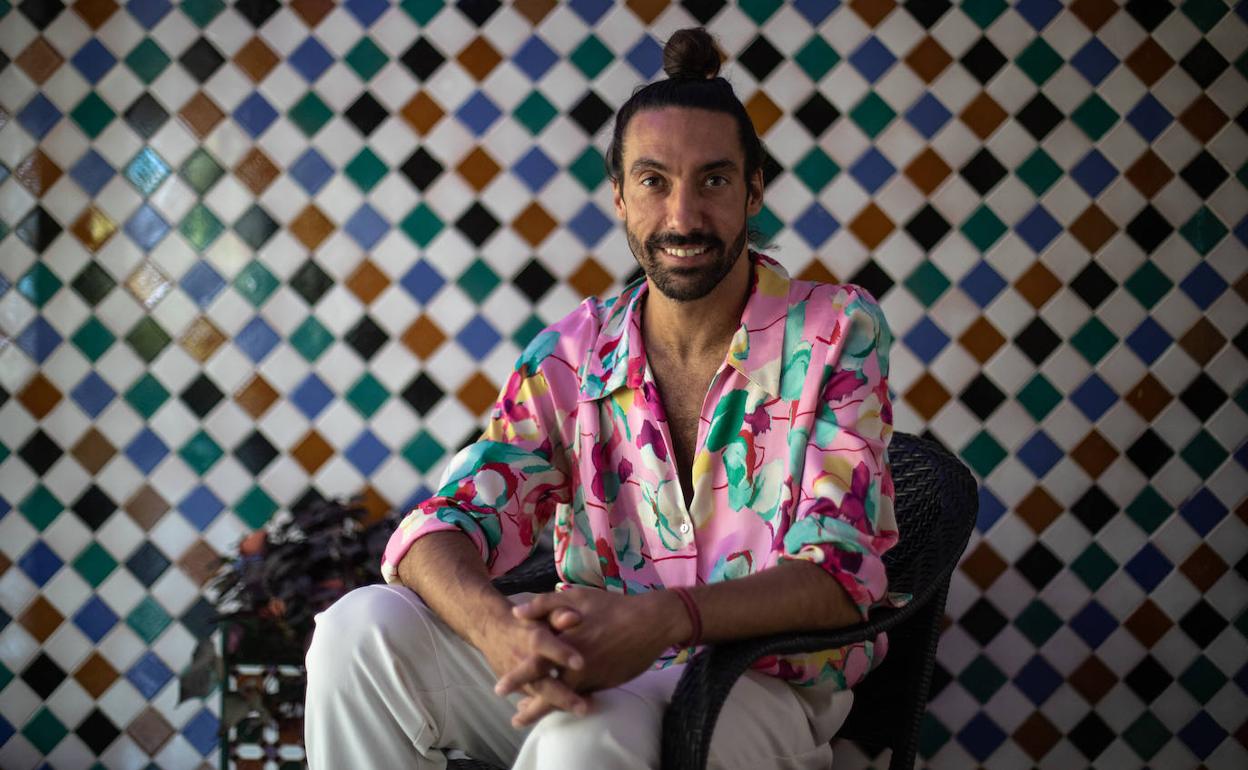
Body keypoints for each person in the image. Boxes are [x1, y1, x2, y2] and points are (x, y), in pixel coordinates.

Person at [304, 27, 898, 770]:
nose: (682, 217)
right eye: (654, 181)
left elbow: (842, 576)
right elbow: (447, 523)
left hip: (757, 686)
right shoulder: (572, 352)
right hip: (589, 666)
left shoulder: (835, 330)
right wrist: (503, 635)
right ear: (619, 197)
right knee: (357, 633)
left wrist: (665, 620)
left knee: (582, 734)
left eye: (713, 181)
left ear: (753, 190)